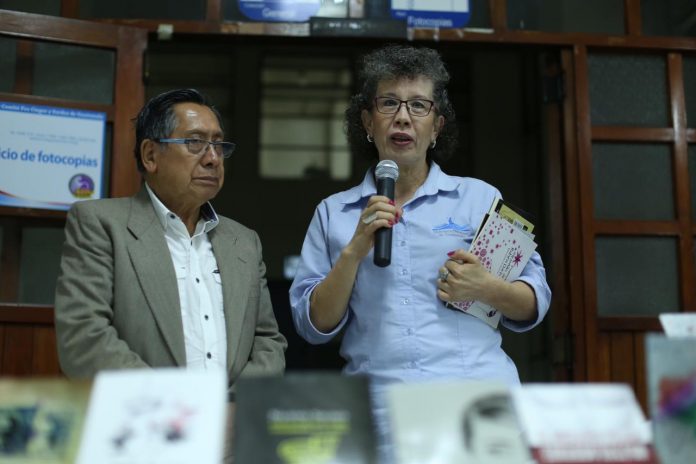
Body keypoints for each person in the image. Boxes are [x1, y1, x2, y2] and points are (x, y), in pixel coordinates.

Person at [289, 45, 551, 460]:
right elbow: (312, 324)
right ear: (367, 122)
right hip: (382, 410)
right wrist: (353, 252)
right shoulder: (334, 213)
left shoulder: (479, 198)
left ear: (437, 126)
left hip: (478, 404)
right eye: (388, 103)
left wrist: (487, 287)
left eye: (418, 105)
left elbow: (534, 302)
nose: (403, 117)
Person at [55, 88, 287, 396]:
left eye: (218, 145)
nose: (213, 159)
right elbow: (83, 338)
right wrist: (177, 405)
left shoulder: (244, 241)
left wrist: (226, 405)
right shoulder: (101, 224)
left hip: (232, 417)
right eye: (195, 143)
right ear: (150, 155)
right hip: (143, 417)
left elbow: (268, 342)